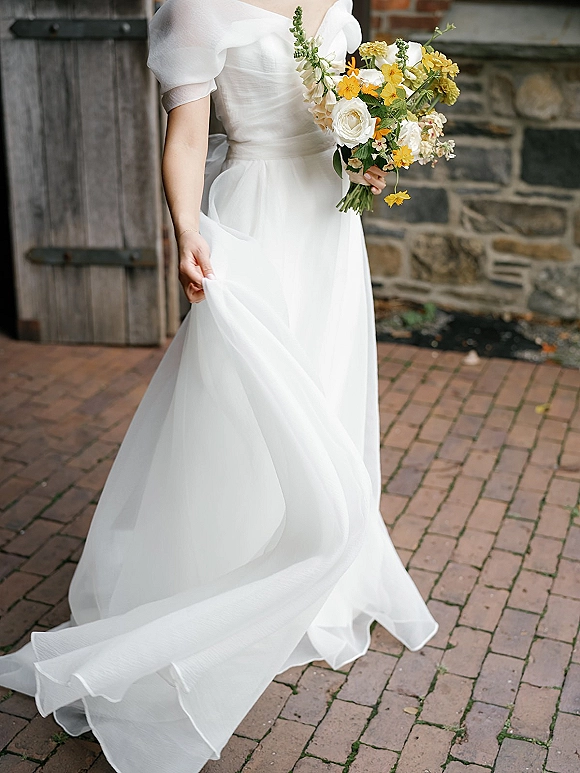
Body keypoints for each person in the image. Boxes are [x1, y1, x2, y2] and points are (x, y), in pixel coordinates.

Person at [0, 2, 437, 772]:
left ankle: (319, 564)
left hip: (329, 226)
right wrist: (185, 229)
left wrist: (372, 151)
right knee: (244, 405)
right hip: (256, 221)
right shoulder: (197, 10)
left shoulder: (333, 2)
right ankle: (234, 564)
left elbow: (343, 106)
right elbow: (189, 136)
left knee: (327, 381)